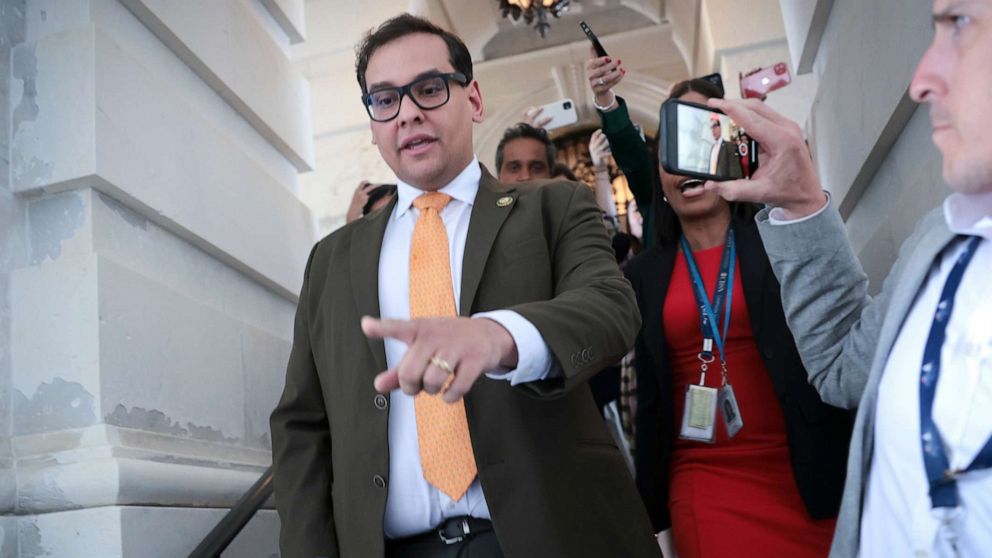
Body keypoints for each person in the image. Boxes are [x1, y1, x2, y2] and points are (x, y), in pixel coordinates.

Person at [269, 13, 660, 558]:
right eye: (385, 100)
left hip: (550, 536)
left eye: (429, 89)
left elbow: (611, 306)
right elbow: (302, 428)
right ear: (375, 122)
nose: (408, 113)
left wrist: (499, 337)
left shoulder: (550, 207)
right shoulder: (333, 259)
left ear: (473, 99)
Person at [702, 1, 992, 556]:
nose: (924, 80)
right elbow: (842, 369)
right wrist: (801, 202)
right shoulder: (942, 236)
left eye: (959, 27)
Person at [591, 71, 852, 557]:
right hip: (702, 478)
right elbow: (638, 395)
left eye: (707, 144)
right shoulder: (642, 275)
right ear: (659, 178)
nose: (690, 166)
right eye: (675, 152)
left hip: (807, 469)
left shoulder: (780, 239)